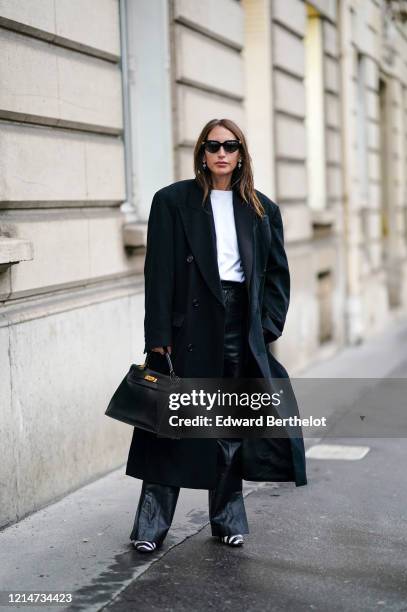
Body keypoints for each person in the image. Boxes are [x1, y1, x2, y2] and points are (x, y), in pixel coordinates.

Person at [125, 118, 307, 553]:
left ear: (241, 154)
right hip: (189, 326)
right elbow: (159, 274)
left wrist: (265, 328)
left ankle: (226, 520)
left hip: (238, 326)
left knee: (227, 428)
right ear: (202, 155)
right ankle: (150, 526)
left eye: (230, 146)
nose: (221, 153)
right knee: (170, 425)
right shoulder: (172, 202)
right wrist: (158, 337)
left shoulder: (262, 209)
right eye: (212, 146)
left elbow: (277, 274)